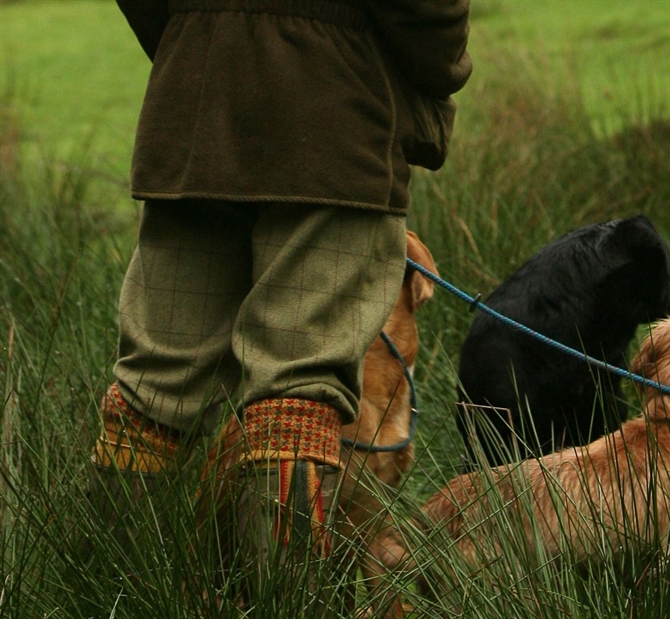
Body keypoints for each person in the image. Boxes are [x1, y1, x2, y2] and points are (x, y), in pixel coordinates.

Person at [88, 0, 472, 596]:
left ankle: (101, 598)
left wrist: (199, 39)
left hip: (192, 112)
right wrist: (430, 76)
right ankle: (280, 604)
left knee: (151, 394)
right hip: (336, 124)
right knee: (295, 394)